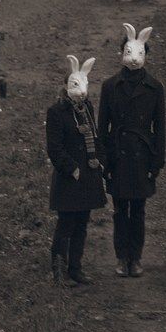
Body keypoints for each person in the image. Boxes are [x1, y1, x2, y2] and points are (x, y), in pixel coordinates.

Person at [98, 23, 165, 278]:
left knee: (138, 210)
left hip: (142, 157)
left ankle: (135, 258)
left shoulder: (154, 87)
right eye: (128, 51)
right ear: (122, 54)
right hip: (118, 155)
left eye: (139, 53)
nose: (134, 58)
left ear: (145, 55)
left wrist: (156, 162)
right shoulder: (109, 86)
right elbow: (102, 126)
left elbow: (160, 127)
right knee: (119, 210)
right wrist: (104, 160)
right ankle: (120, 256)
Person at [46, 55, 107, 286]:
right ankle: (59, 270)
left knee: (82, 222)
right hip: (70, 177)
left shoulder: (87, 108)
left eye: (84, 86)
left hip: (88, 175)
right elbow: (55, 148)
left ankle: (76, 268)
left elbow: (94, 135)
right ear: (66, 86)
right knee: (66, 223)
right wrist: (71, 168)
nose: (80, 92)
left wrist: (99, 160)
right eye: (75, 86)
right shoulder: (56, 112)